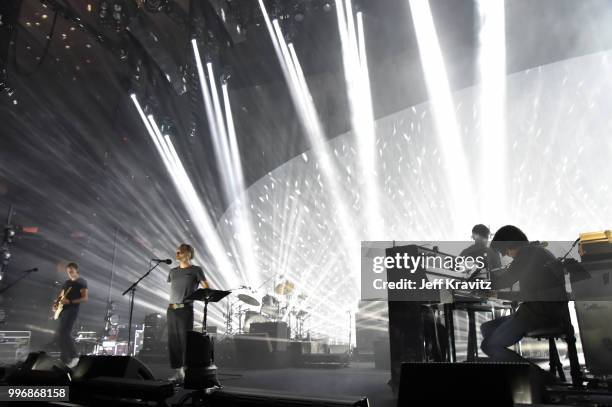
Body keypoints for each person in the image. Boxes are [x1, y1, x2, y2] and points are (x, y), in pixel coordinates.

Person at [480, 225, 568, 365]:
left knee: (489, 346)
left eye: (506, 251)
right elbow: (528, 293)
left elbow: (504, 281)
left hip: (538, 314)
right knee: (487, 328)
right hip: (546, 310)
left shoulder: (526, 255)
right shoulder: (538, 252)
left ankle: (539, 378)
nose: (507, 255)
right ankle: (509, 367)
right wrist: (497, 294)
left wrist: (477, 283)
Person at [167, 243, 209, 382]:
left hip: (185, 309)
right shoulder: (173, 271)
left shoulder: (196, 270)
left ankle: (187, 372)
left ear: (188, 254)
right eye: (176, 252)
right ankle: (178, 373)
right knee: (173, 342)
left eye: (179, 252)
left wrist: (198, 296)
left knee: (186, 342)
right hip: (171, 309)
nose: (177, 254)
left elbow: (206, 288)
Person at [52, 262, 88, 368]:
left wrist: (70, 302)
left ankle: (74, 356)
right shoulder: (67, 282)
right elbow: (62, 294)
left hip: (72, 310)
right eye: (68, 271)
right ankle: (64, 359)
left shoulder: (81, 281)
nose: (70, 273)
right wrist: (56, 303)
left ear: (76, 270)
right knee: (60, 334)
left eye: (71, 271)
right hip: (63, 310)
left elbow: (85, 298)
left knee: (65, 332)